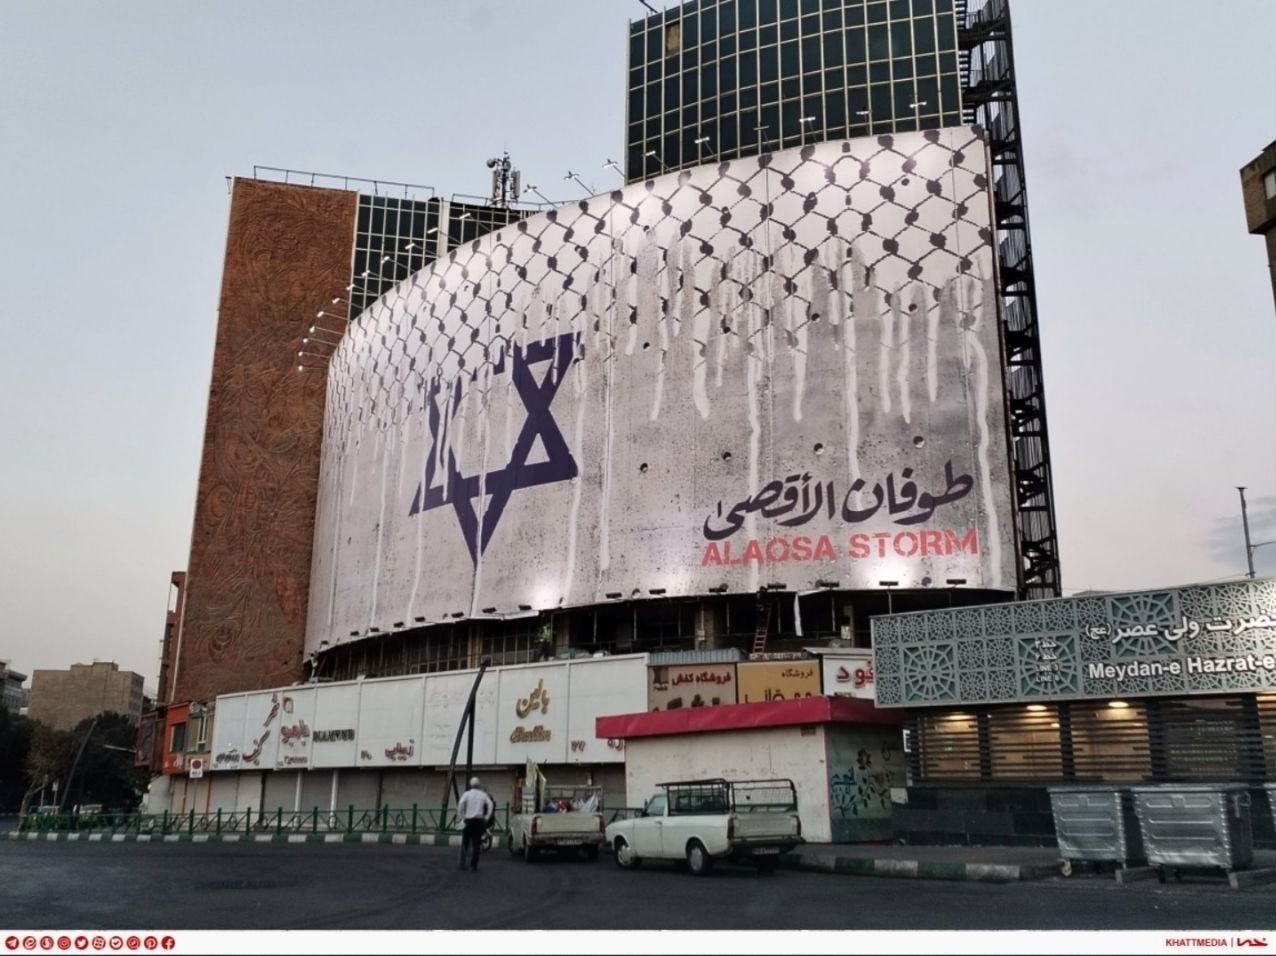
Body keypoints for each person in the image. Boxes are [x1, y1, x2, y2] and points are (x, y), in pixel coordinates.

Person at [457, 776, 494, 872]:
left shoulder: (467, 794)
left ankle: (462, 863)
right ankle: (474, 865)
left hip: (468, 821)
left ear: (470, 785)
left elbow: (460, 804)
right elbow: (490, 804)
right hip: (479, 821)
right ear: (479, 785)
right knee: (476, 844)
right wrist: (487, 817)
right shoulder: (483, 795)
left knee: (465, 842)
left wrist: (462, 816)